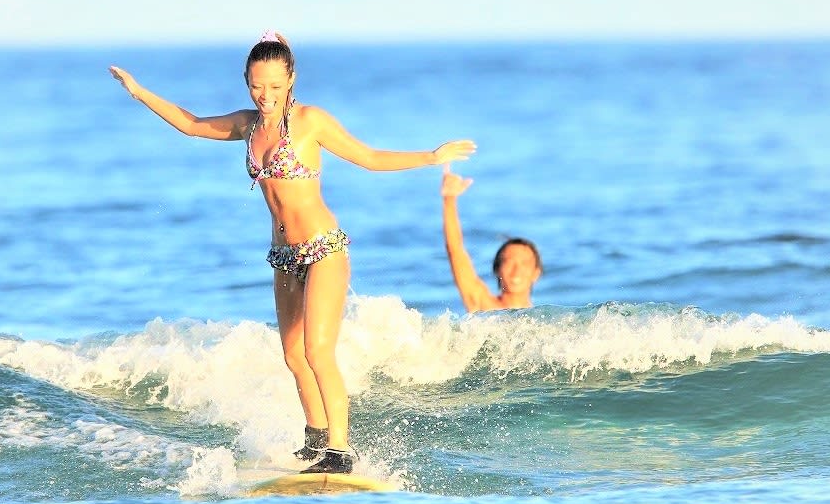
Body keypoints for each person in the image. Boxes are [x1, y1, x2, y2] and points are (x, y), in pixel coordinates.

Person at [110, 31, 476, 474]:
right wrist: (138, 91)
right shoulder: (247, 126)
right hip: (284, 256)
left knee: (318, 352)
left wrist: (432, 156)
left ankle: (340, 450)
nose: (265, 96)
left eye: (275, 87)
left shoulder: (309, 122)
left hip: (323, 250)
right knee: (292, 354)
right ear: (246, 80)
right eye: (257, 86)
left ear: (291, 80)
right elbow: (191, 124)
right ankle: (316, 437)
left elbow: (369, 157)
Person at [440, 164, 543, 312]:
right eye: (508, 262)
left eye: (525, 263)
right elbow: (455, 251)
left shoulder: (546, 322)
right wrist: (449, 200)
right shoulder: (484, 308)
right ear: (497, 270)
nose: (516, 270)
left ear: (536, 273)